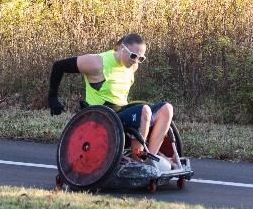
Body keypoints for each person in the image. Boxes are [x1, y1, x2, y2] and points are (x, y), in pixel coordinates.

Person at [48, 33, 178, 168]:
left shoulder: (133, 66)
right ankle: (137, 161)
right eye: (133, 56)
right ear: (122, 48)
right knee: (144, 111)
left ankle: (150, 158)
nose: (135, 61)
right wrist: (53, 98)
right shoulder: (97, 62)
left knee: (166, 109)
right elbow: (59, 66)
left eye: (141, 58)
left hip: (122, 113)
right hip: (103, 117)